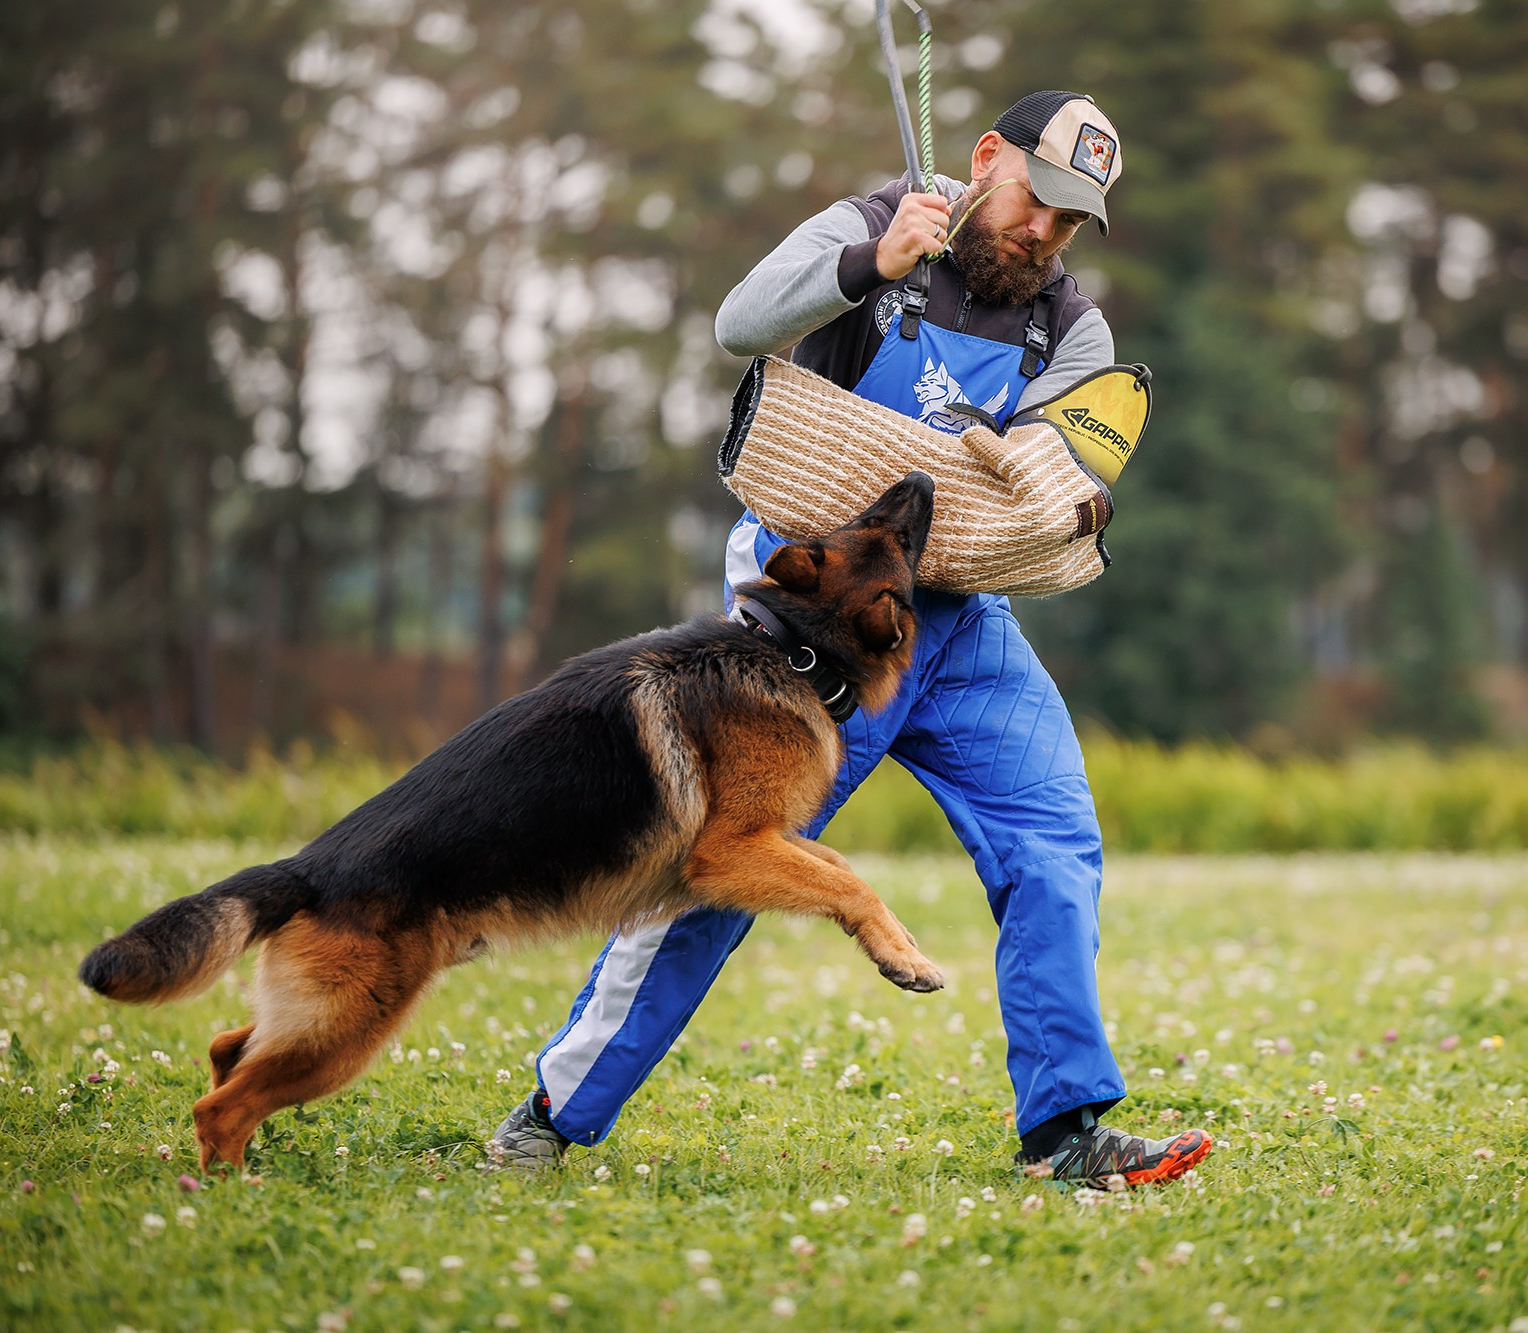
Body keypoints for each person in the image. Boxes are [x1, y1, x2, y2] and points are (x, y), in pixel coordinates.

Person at [492, 91, 1211, 1187]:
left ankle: (1063, 1130)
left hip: (961, 622)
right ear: (985, 161)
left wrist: (1074, 492)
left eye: (1071, 222)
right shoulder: (867, 223)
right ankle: (551, 1115)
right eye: (1037, 201)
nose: (1044, 234)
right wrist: (873, 261)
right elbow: (738, 326)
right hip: (809, 629)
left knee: (1054, 844)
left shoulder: (1072, 329)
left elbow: (1062, 474)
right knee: (720, 870)